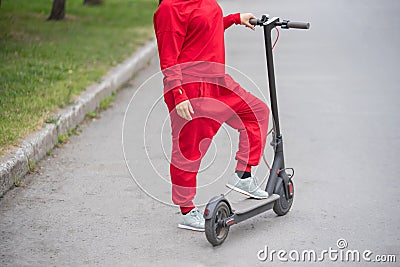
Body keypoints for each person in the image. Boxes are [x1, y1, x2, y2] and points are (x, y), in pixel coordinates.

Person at [154, 0, 270, 231]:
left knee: (256, 113)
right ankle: (186, 211)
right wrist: (179, 93)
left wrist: (235, 18)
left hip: (218, 80)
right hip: (191, 86)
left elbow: (206, 29)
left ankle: (243, 176)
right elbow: (168, 57)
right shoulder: (170, 8)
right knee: (189, 150)